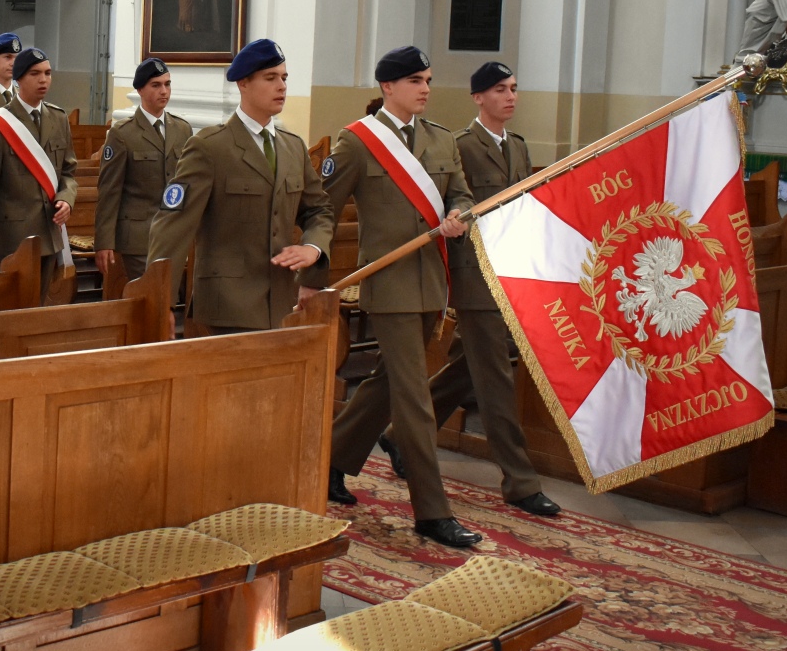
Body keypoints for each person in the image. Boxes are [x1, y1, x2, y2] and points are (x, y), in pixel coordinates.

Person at [317, 44, 480, 550]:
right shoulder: (358, 142)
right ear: (388, 86)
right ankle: (433, 512)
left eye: (428, 80)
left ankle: (330, 459)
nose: (426, 88)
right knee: (414, 399)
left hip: (432, 281)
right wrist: (313, 270)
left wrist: (458, 213)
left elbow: (462, 194)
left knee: (388, 382)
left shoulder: (441, 139)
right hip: (389, 287)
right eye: (415, 80)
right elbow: (322, 209)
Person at [420, 61, 560, 517]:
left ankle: (402, 436)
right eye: (500, 89)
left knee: (471, 365)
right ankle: (520, 482)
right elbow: (449, 206)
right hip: (474, 276)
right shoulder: (461, 145)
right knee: (496, 378)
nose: (510, 97)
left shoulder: (517, 147)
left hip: (509, 274)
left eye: (514, 88)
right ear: (478, 97)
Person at [146, 40, 333, 331]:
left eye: (284, 78)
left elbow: (319, 210)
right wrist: (161, 302)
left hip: (281, 303)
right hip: (227, 307)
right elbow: (172, 228)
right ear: (243, 83)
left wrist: (313, 247)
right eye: (270, 78)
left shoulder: (293, 147)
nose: (282, 86)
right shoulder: (210, 147)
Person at [0, 47, 77, 299]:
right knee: (11, 308)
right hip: (12, 238)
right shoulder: (0, 124)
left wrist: (66, 198)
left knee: (40, 308)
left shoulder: (58, 118)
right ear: (18, 78)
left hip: (49, 233)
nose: (43, 80)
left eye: (47, 73)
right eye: (35, 74)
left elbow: (68, 172)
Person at [96, 58, 193, 283]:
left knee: (173, 295)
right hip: (139, 238)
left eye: (167, 84)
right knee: (153, 293)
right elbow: (109, 191)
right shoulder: (123, 134)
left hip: (175, 234)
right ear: (140, 89)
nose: (164, 91)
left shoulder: (182, 129)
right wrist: (104, 242)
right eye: (156, 85)